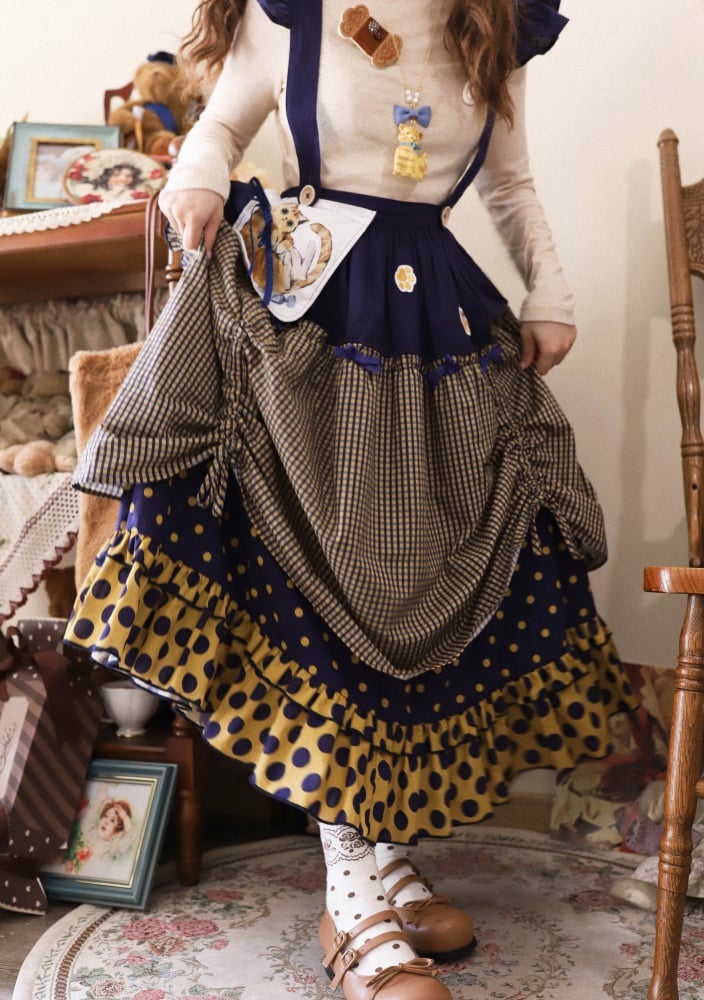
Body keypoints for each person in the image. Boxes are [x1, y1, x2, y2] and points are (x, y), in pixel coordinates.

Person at [63, 2, 639, 998]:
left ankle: (382, 849)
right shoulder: (293, 12)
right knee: (326, 577)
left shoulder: (492, 23)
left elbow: (506, 179)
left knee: (422, 579)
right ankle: (350, 879)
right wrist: (196, 182)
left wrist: (550, 292)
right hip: (313, 314)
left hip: (436, 322)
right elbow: (221, 124)